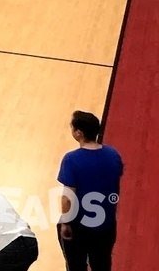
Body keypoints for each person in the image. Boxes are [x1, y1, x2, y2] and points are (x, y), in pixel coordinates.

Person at [57, 111, 124, 271]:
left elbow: (67, 198)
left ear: (79, 132)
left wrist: (66, 223)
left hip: (79, 226)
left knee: (76, 265)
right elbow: (115, 186)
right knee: (102, 264)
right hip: (106, 224)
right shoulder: (113, 154)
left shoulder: (71, 159)